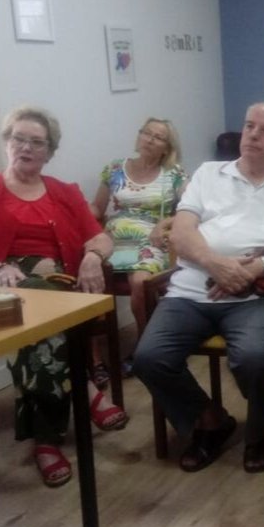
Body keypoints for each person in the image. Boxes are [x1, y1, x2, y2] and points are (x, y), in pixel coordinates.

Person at [133, 102, 264, 474]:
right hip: (191, 289)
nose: (252, 134)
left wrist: (255, 269)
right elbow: (183, 232)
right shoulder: (208, 173)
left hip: (257, 297)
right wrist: (214, 264)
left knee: (254, 358)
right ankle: (210, 421)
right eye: (249, 125)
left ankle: (259, 430)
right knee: (149, 357)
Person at [0, 106, 125, 488]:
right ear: (7, 143)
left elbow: (100, 235)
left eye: (36, 142)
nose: (25, 147)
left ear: (49, 151)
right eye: (18, 138)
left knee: (35, 318)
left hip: (59, 280)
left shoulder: (63, 192)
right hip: (0, 283)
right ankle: (85, 389)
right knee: (29, 304)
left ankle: (46, 441)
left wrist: (92, 255)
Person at [91, 118, 187, 377]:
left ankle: (145, 348)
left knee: (140, 282)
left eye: (158, 137)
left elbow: (192, 212)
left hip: (152, 240)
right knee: (89, 277)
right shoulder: (114, 169)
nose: (150, 139)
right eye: (147, 133)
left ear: (167, 147)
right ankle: (95, 358)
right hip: (113, 239)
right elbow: (97, 209)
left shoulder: (174, 175)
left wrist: (164, 223)